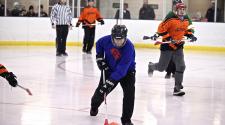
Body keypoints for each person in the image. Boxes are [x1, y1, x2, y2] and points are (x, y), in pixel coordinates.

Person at [148, 3, 197, 96]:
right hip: (167, 47)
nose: (182, 11)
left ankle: (177, 88)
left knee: (181, 66)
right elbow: (161, 29)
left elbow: (187, 30)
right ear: (176, 10)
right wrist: (168, 38)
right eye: (180, 9)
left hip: (178, 46)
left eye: (184, 9)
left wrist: (191, 35)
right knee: (161, 68)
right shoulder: (171, 19)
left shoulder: (186, 19)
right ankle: (151, 66)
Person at [90, 25, 136, 125]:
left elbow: (122, 68)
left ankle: (126, 120)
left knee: (129, 94)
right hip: (109, 69)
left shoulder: (129, 47)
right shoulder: (105, 40)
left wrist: (111, 81)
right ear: (112, 37)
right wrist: (100, 57)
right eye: (116, 39)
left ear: (125, 37)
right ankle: (94, 106)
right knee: (101, 91)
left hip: (127, 72)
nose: (118, 42)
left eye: (121, 40)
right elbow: (98, 44)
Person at [164, 0, 194, 79]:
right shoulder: (170, 14)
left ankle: (174, 72)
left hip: (179, 39)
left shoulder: (185, 16)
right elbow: (164, 25)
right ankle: (168, 72)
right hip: (170, 39)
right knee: (170, 57)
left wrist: (191, 34)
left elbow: (189, 25)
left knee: (178, 58)